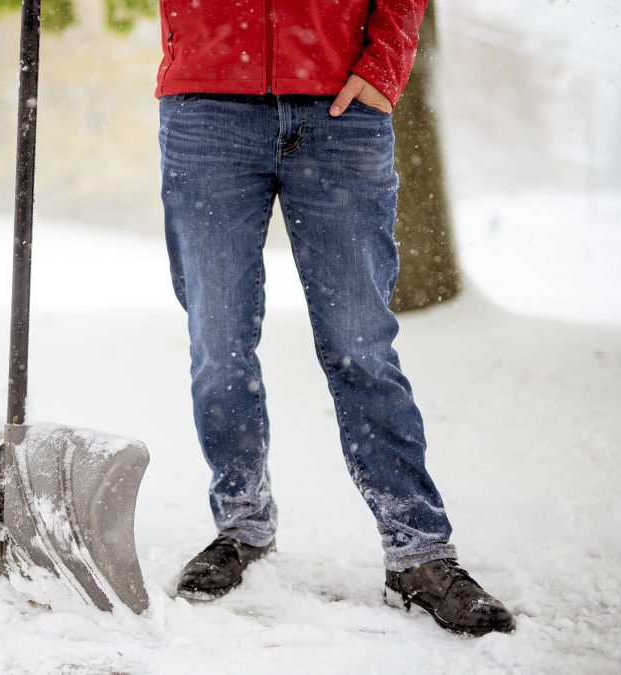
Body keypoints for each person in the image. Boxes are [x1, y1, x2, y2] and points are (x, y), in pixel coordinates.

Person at [156, 0, 515, 637]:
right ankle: (241, 527)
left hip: (340, 107)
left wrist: (384, 66)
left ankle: (418, 552)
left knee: (362, 347)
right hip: (207, 108)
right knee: (218, 342)